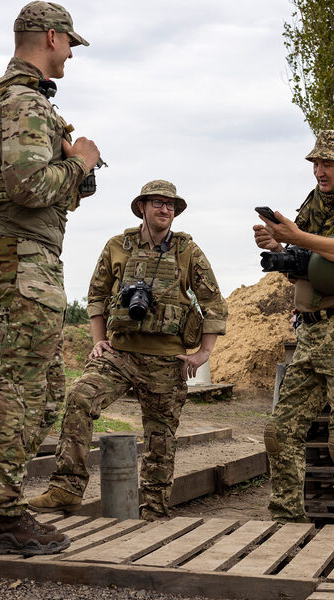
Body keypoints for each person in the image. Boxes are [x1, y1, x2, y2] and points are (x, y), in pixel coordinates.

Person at [0, 1, 99, 556]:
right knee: (21, 394)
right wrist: (82, 163)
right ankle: (1, 517)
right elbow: (27, 186)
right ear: (50, 37)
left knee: (44, 396)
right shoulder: (24, 101)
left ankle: (1, 505)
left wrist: (70, 173)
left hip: (20, 251)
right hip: (23, 254)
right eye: (69, 44)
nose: (70, 55)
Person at [27, 180, 228, 521]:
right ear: (142, 208)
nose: (165, 210)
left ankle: (154, 511)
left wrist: (203, 353)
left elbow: (214, 304)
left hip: (167, 359)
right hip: (120, 353)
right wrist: (98, 340)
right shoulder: (117, 246)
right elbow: (96, 295)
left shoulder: (187, 251)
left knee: (160, 439)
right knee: (79, 397)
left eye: (170, 205)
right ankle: (67, 488)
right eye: (158, 203)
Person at [253, 130, 334, 527]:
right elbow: (307, 258)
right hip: (310, 331)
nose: (318, 170)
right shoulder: (315, 205)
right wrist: (279, 247)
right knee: (280, 430)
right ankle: (286, 519)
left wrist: (297, 235)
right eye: (315, 163)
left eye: (326, 162)